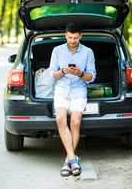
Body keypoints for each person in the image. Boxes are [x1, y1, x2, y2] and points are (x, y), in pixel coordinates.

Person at [49, 22, 96, 177]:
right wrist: (62, 71)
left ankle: (67, 160)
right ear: (66, 35)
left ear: (80, 36)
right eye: (70, 37)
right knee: (60, 119)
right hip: (61, 90)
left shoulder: (88, 52)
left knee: (75, 121)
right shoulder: (57, 50)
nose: (73, 40)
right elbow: (52, 75)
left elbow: (91, 76)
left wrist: (80, 73)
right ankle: (73, 159)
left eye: (75, 37)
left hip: (79, 89)